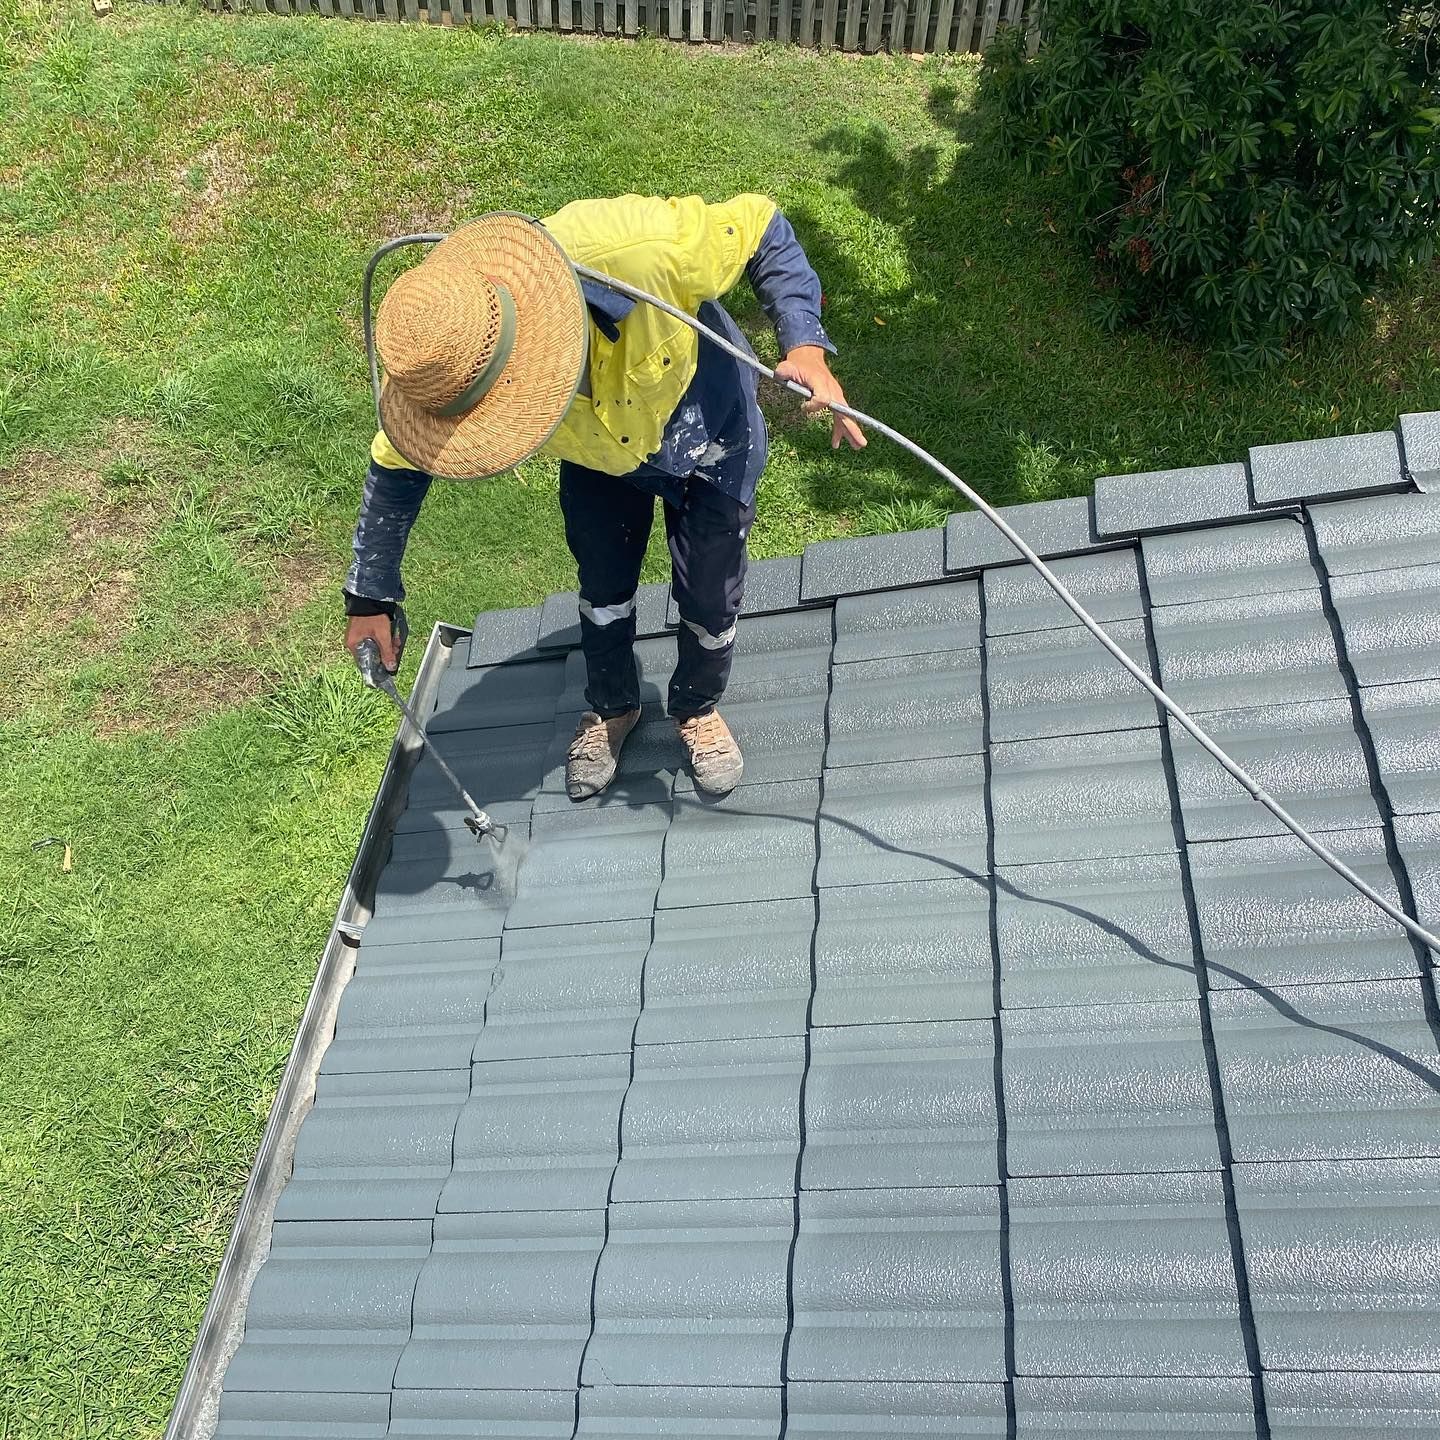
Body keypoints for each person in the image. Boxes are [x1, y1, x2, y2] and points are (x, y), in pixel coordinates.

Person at [343, 195, 864, 799]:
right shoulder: (447, 360)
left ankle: (695, 707)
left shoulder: (645, 252)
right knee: (603, 583)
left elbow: (763, 226)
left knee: (710, 590)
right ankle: (614, 705)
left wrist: (804, 345)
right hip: (597, 457)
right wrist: (369, 594)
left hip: (709, 430)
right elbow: (395, 465)